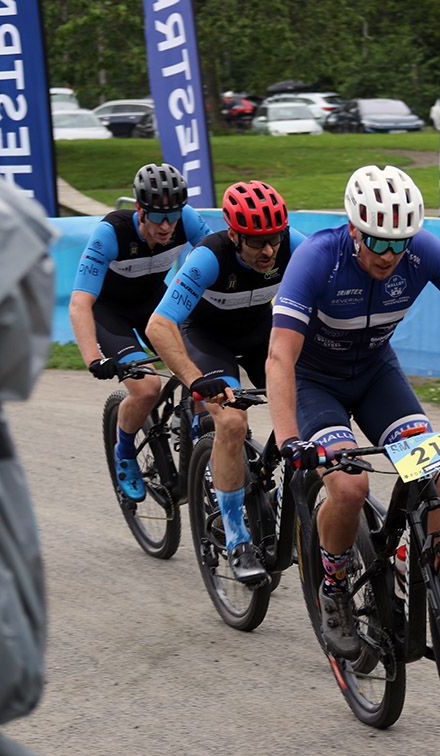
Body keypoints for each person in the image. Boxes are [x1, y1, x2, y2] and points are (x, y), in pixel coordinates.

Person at [266, 164, 440, 658]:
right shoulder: (317, 258)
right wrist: (288, 439)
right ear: (354, 230)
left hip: (376, 375)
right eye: (378, 242)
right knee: (349, 487)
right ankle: (334, 587)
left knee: (431, 471)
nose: (390, 255)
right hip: (315, 383)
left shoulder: (422, 251)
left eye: (400, 243)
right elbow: (280, 355)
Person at [146, 180, 306, 585]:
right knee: (232, 422)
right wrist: (195, 380)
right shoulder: (208, 258)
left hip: (259, 332)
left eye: (274, 238)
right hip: (207, 339)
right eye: (256, 242)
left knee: (309, 404)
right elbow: (159, 325)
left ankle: (273, 491)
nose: (268, 251)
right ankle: (236, 539)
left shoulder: (293, 245)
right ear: (234, 235)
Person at [70, 163, 210, 502]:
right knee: (147, 388)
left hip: (153, 303)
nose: (166, 226)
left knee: (202, 367)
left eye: (172, 217)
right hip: (110, 313)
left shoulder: (187, 220)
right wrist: (93, 359)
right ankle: (125, 450)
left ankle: (197, 433)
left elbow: (217, 259)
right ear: (139, 209)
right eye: (157, 217)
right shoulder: (111, 233)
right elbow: (79, 303)